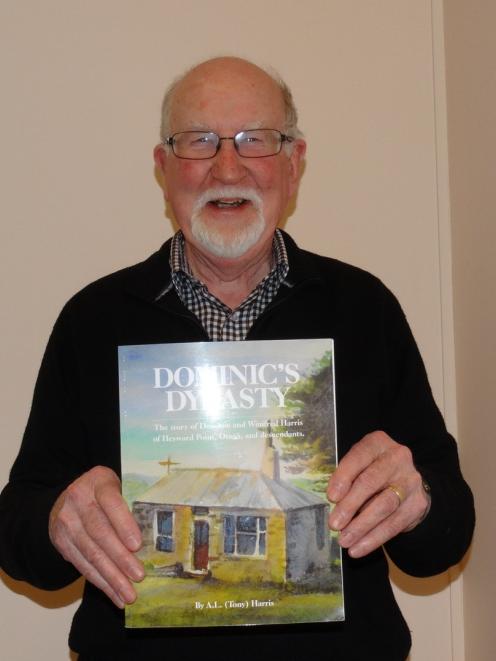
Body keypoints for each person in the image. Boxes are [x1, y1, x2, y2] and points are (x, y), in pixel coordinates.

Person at [0, 57, 474, 660]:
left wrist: (419, 499)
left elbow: (444, 538)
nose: (227, 166)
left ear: (295, 163)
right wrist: (54, 521)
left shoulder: (366, 309)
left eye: (258, 140)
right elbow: (18, 530)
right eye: (198, 141)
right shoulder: (91, 319)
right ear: (163, 168)